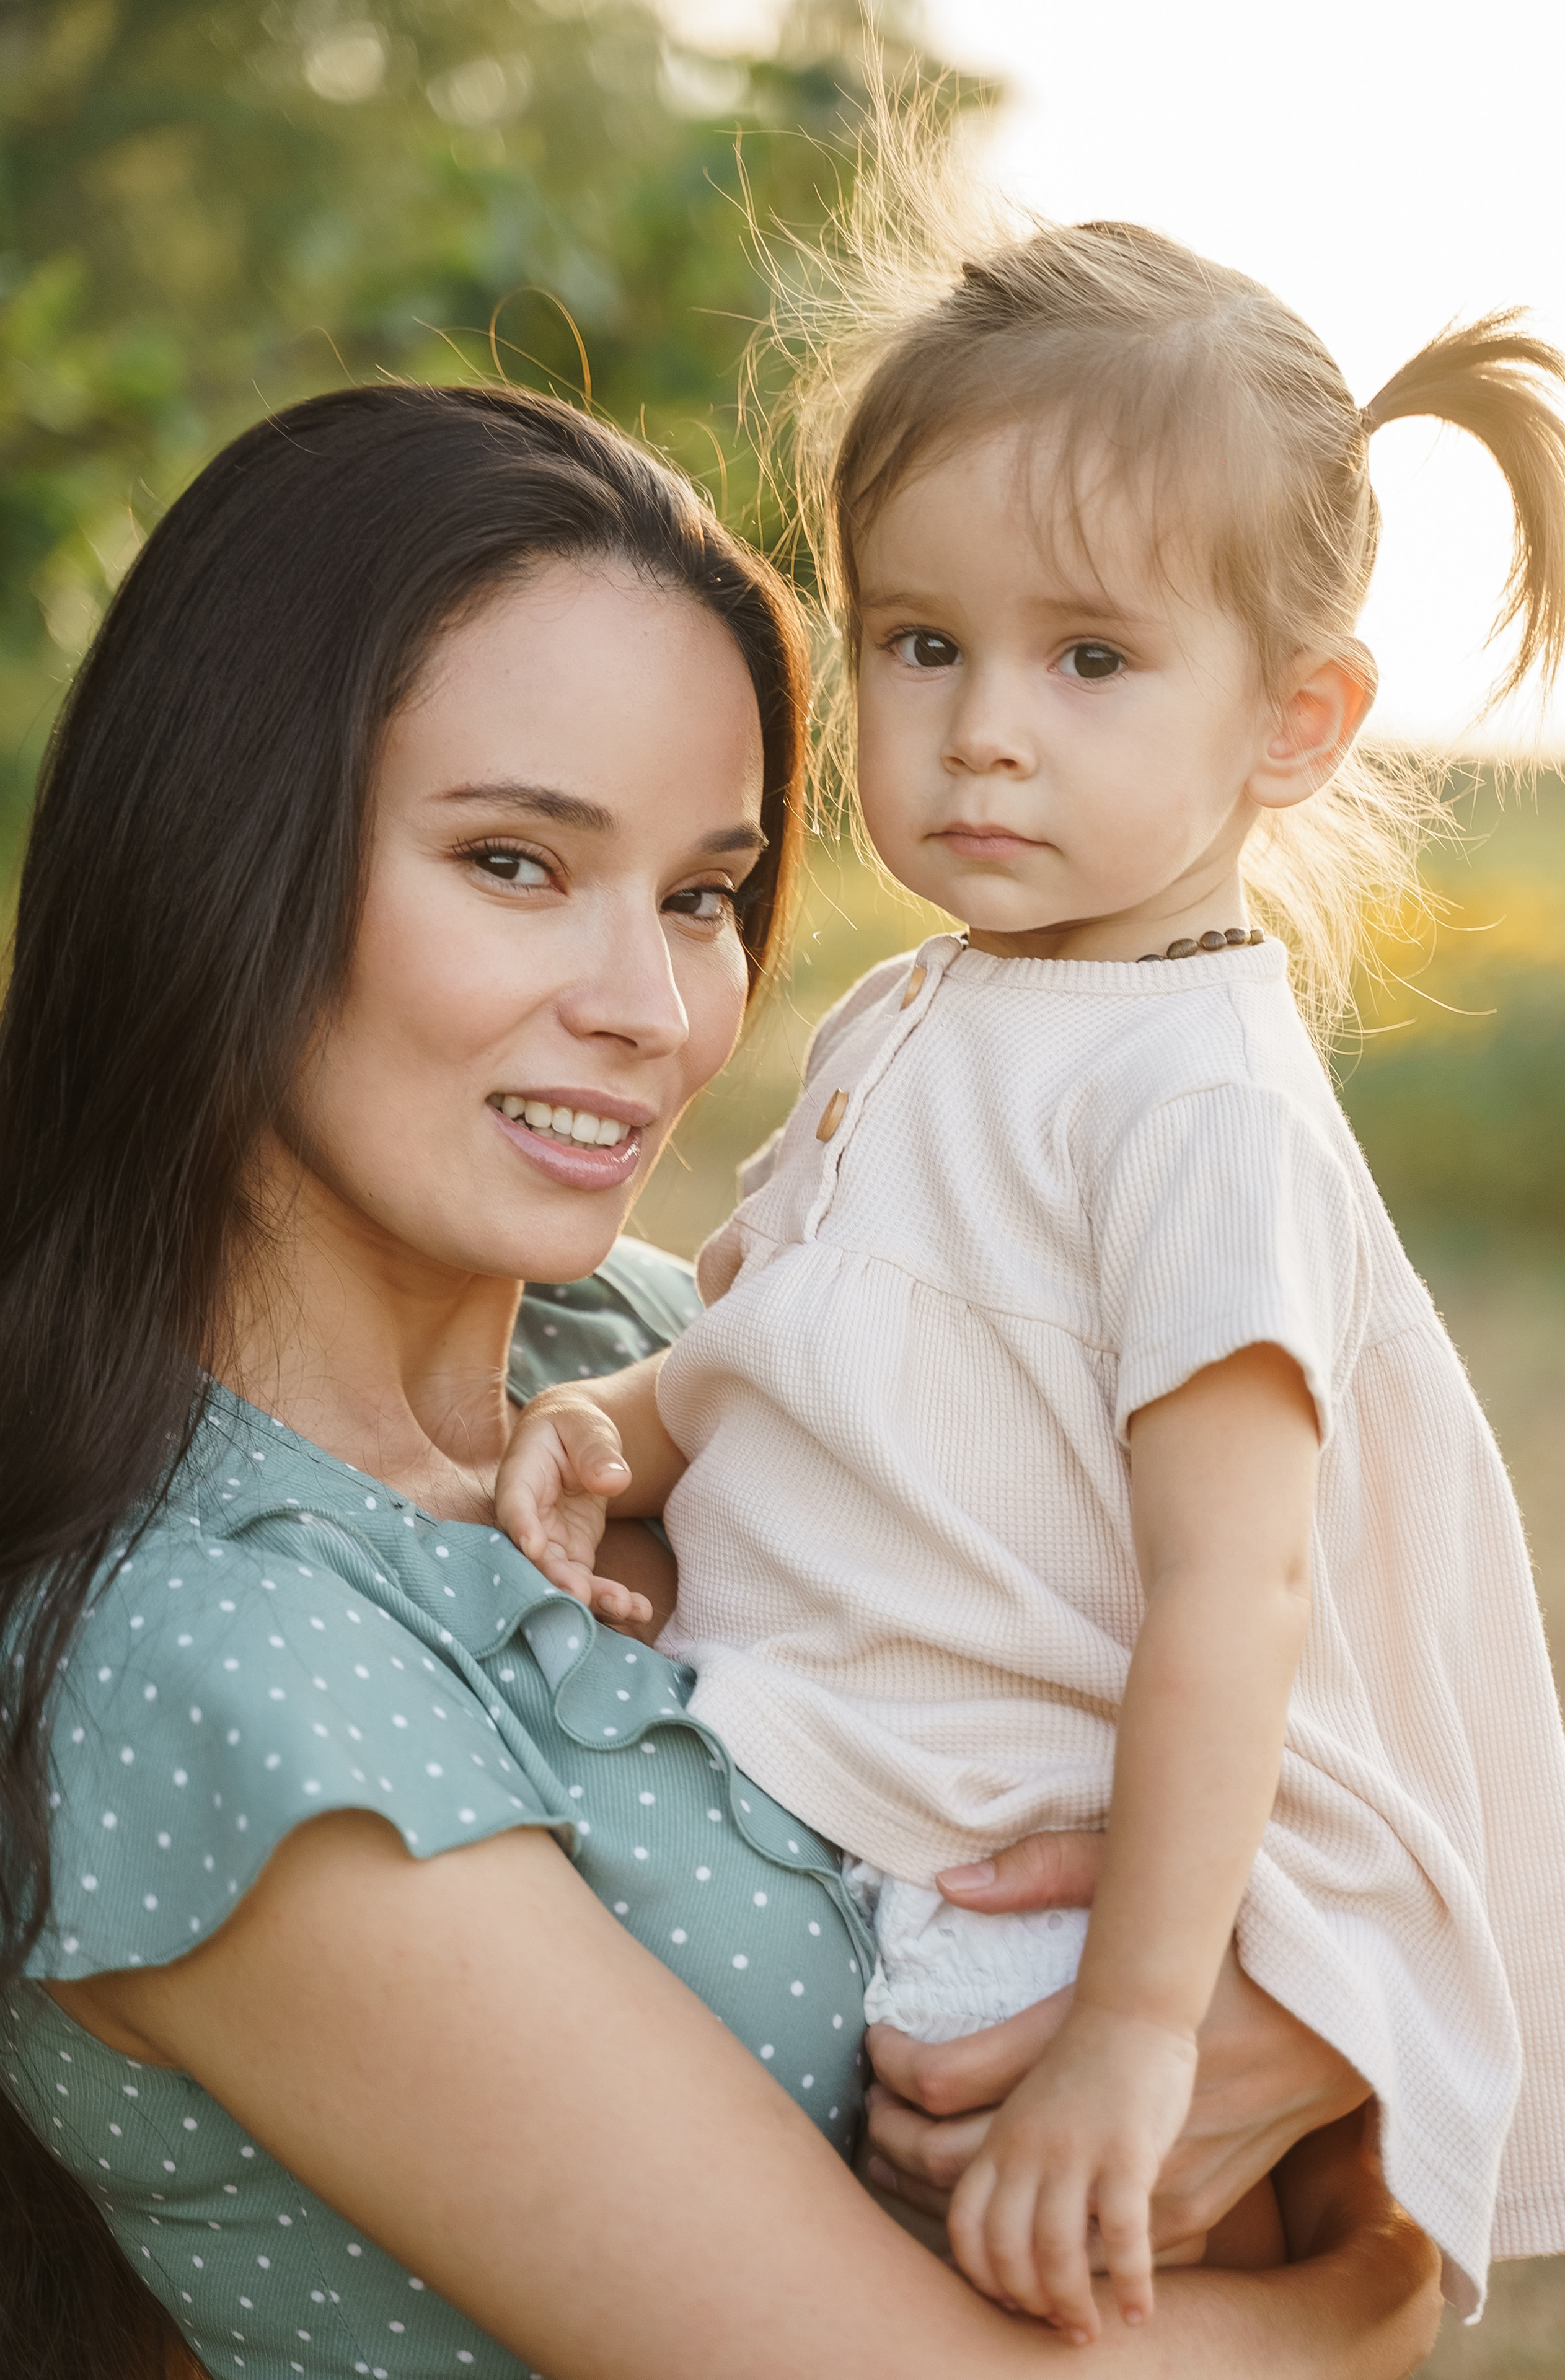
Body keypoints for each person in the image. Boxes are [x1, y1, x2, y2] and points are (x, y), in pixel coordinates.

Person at [0, 381, 1441, 2380]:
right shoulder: (217, 1660)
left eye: (702, 893)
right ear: (220, 859)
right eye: (514, 863)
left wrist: (1279, 2009)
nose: (652, 1009)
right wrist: (1374, 2284)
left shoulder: (670, 1352)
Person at [500, 190, 1565, 2343]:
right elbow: (800, 1352)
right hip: (867, 1809)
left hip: (1025, 1906)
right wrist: (605, 1426)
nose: (984, 725)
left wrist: (1133, 2035)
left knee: (992, 2312)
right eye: (924, 644)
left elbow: (1231, 1591)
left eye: (1089, 658)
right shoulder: (927, 1018)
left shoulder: (1192, 1103)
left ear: (1292, 725)